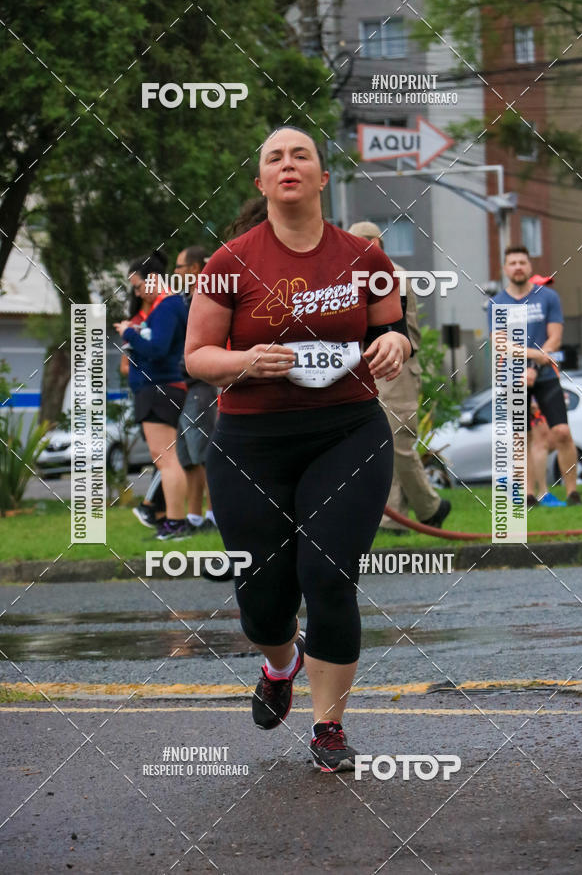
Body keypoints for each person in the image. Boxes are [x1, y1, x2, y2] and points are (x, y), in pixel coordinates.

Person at [184, 125, 411, 772]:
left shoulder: (364, 257)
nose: (288, 164)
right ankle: (279, 664)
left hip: (348, 432)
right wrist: (247, 359)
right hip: (251, 443)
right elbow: (197, 356)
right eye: (274, 157)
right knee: (264, 594)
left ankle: (328, 729)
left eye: (301, 155)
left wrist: (396, 343)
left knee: (329, 576)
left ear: (322, 178)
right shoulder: (229, 264)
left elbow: (390, 329)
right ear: (261, 182)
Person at [348, 221, 451, 532]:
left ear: (375, 242)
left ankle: (424, 508)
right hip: (374, 365)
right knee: (382, 442)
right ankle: (403, 514)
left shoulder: (391, 275)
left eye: (362, 243)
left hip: (398, 366)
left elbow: (388, 327)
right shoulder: (364, 275)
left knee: (397, 442)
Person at [487, 246, 581, 507]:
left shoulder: (548, 297)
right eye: (512, 263)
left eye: (522, 262)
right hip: (512, 379)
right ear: (505, 269)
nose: (518, 266)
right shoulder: (497, 304)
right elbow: (500, 344)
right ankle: (528, 494)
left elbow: (555, 338)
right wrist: (530, 358)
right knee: (521, 436)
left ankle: (573, 493)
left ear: (529, 267)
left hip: (546, 376)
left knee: (561, 432)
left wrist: (534, 367)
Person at [114, 250, 191, 539]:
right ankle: (165, 519)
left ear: (154, 279)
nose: (136, 292)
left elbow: (158, 349)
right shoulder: (164, 307)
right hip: (155, 388)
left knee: (166, 459)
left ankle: (176, 522)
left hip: (159, 387)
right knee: (164, 458)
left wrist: (129, 334)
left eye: (138, 285)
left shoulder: (168, 306)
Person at [173, 245, 219, 533]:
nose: (174, 273)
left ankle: (215, 517)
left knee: (204, 454)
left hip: (203, 385)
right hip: (184, 385)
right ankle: (193, 518)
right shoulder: (184, 299)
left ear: (192, 269)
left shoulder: (207, 297)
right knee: (187, 456)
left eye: (178, 267)